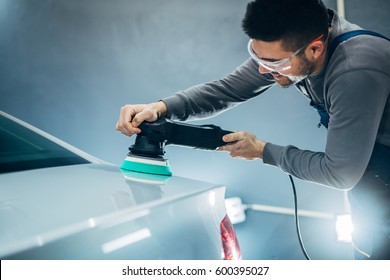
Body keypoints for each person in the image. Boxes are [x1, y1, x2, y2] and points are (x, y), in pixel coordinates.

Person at [116, 0, 390, 259]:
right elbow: (226, 90)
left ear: (315, 49)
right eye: (257, 56)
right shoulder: (292, 45)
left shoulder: (356, 70)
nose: (261, 69)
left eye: (273, 63)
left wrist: (262, 151)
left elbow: (339, 173)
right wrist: (160, 107)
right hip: (372, 183)